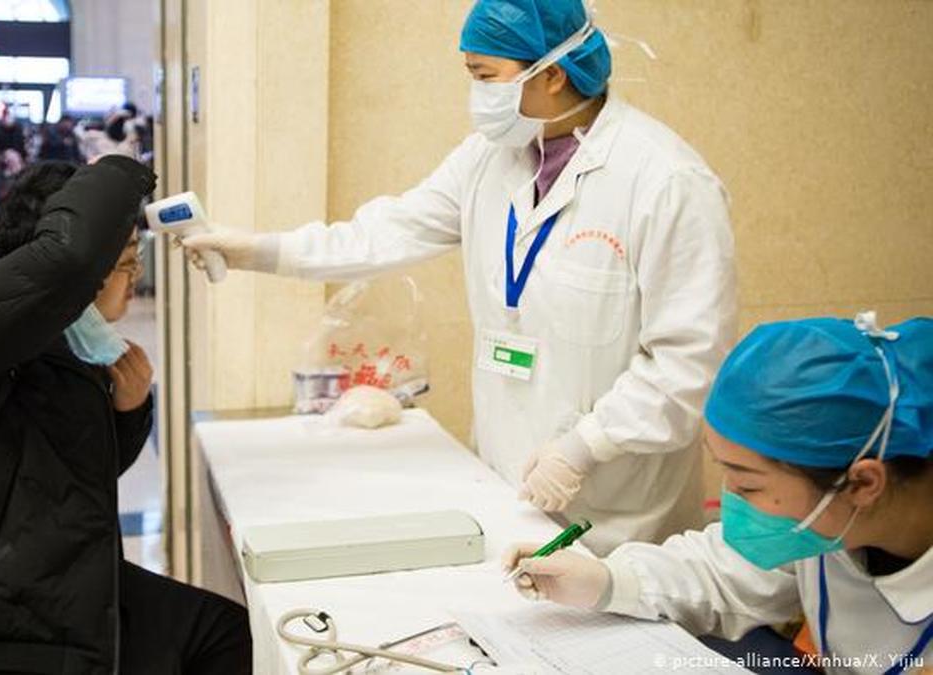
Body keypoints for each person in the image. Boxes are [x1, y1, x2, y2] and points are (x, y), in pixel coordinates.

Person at [182, 0, 737, 553]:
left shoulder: (666, 182)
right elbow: (385, 232)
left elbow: (686, 366)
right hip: (504, 485)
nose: (476, 94)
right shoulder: (491, 157)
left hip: (617, 516)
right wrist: (256, 250)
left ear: (552, 75)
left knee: (606, 606)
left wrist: (583, 447)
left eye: (485, 76)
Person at [0, 156, 252, 674]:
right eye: (124, 262)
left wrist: (129, 409)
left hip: (24, 580)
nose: (134, 277)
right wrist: (125, 170)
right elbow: (71, 255)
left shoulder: (77, 340)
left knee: (224, 635)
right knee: (216, 642)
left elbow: (73, 475)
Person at [503, 313, 933, 675]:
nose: (732, 500)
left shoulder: (830, 511)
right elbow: (724, 571)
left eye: (749, 485)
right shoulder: (828, 519)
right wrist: (607, 581)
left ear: (863, 483)